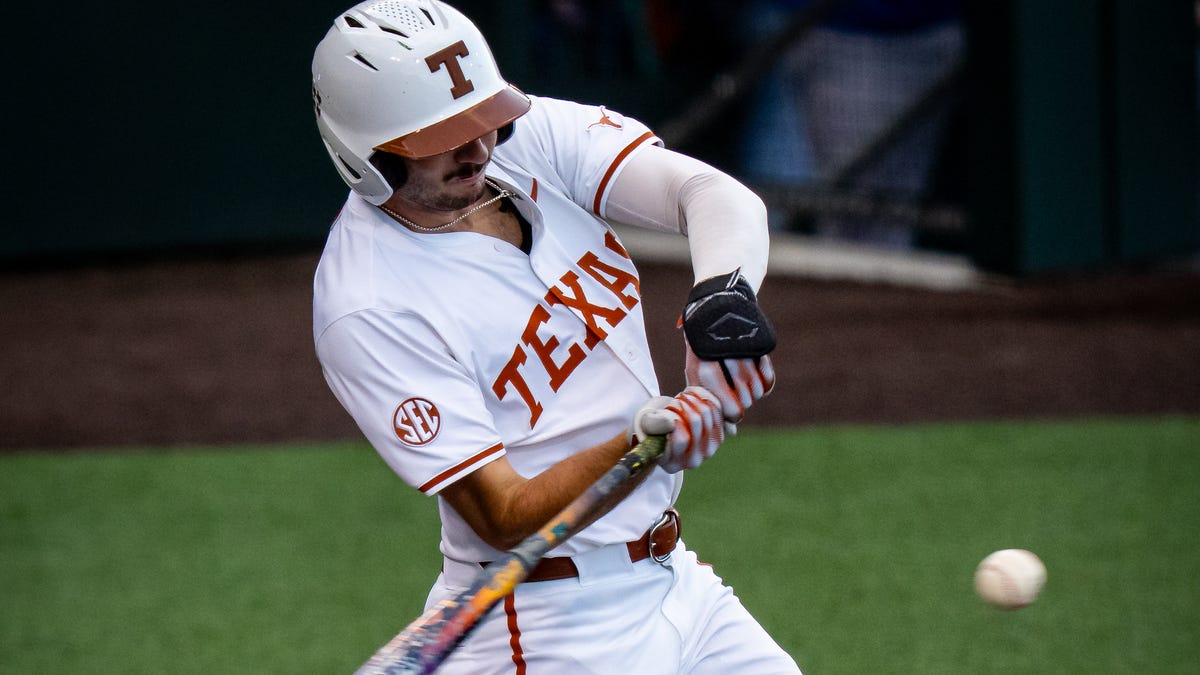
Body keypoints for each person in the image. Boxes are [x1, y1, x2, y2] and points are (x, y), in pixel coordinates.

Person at [310, 2, 795, 673]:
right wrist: (641, 439)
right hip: (551, 628)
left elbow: (711, 195)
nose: (477, 146)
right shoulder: (368, 303)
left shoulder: (525, 141)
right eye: (441, 138)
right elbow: (502, 513)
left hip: (674, 577)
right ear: (367, 153)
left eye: (481, 118)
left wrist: (722, 301)